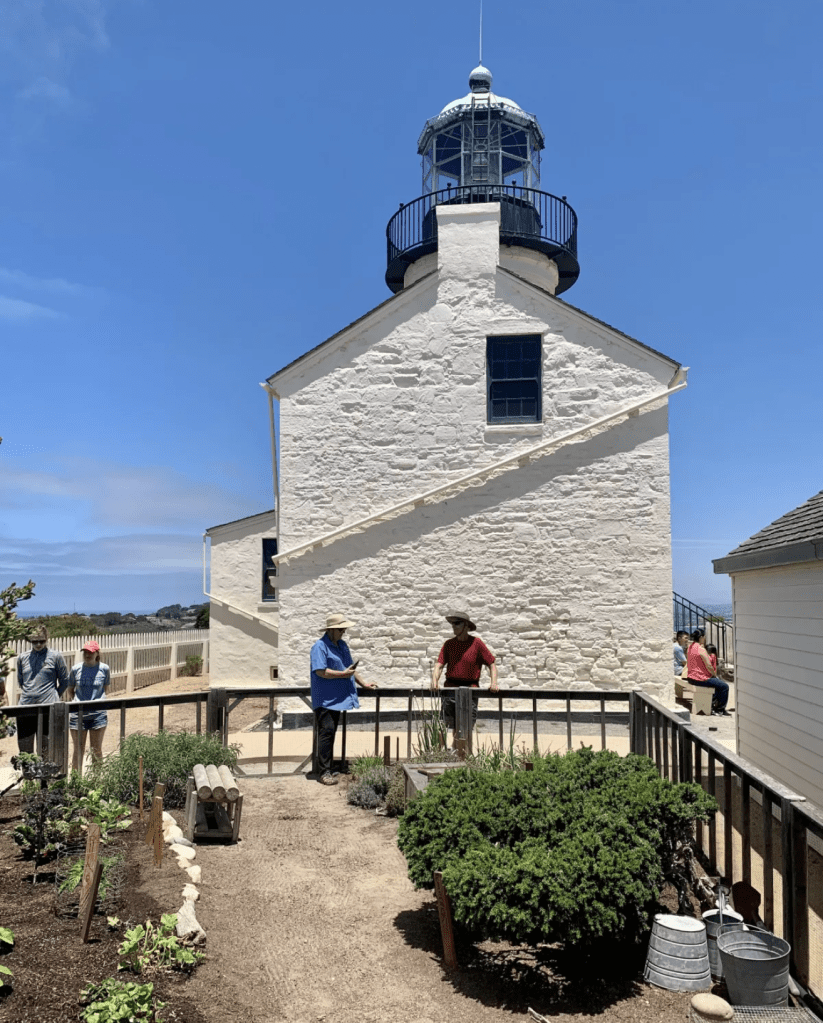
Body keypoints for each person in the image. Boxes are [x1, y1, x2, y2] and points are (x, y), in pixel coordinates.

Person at [310, 613, 378, 785]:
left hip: (337, 698)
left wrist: (364, 684)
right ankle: (324, 772)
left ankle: (329, 768)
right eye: (341, 629)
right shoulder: (319, 646)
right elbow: (321, 671)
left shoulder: (342, 646)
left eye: (344, 629)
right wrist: (343, 674)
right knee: (326, 733)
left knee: (330, 733)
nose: (344, 633)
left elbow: (350, 669)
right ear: (331, 630)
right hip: (325, 699)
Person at [431, 611, 499, 747]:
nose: (453, 626)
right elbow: (439, 665)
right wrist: (434, 681)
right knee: (446, 725)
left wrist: (494, 683)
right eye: (452, 623)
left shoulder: (477, 643)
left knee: (466, 727)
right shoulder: (449, 644)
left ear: (466, 626)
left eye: (457, 623)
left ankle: (464, 756)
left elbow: (491, 664)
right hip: (450, 689)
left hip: (470, 690)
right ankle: (447, 754)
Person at [15, 626, 69, 754]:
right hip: (25, 708)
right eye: (35, 641)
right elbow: (21, 681)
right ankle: (28, 774)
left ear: (47, 639)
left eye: (42, 641)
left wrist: (53, 695)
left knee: (46, 748)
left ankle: (46, 774)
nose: (38, 644)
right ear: (30, 641)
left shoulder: (55, 656)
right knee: (25, 749)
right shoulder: (22, 658)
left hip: (48, 708)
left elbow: (65, 681)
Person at [67, 641, 111, 771]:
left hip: (98, 715)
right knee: (78, 750)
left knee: (96, 750)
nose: (87, 655)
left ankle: (97, 782)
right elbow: (70, 690)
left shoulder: (104, 669)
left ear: (97, 653)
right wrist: (79, 702)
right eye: (85, 652)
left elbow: (106, 689)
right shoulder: (76, 669)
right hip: (78, 715)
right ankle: (76, 782)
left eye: (91, 652)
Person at [686, 628, 730, 716]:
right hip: (699, 678)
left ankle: (713, 705)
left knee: (717, 685)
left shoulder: (690, 647)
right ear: (701, 637)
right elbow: (709, 665)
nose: (705, 638)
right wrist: (714, 675)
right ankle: (720, 709)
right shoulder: (701, 649)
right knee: (724, 686)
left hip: (690, 677)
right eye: (704, 636)